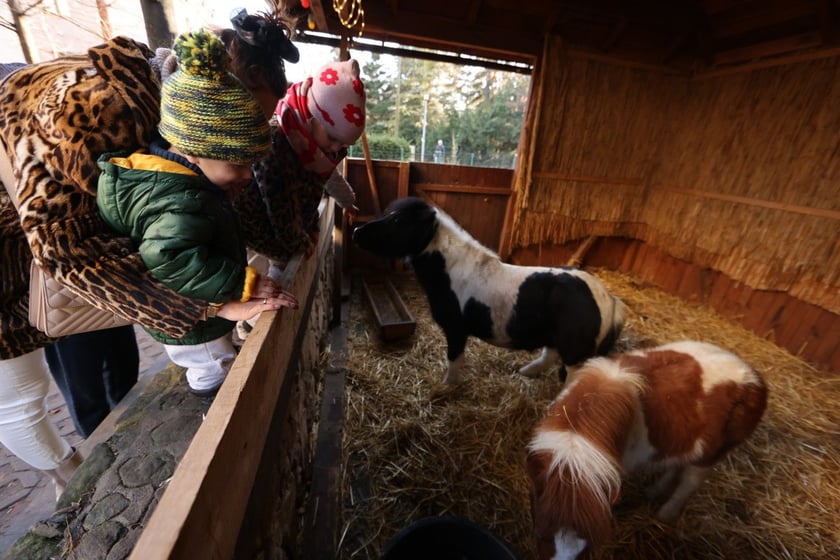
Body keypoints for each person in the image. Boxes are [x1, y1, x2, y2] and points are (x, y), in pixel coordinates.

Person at [0, 9, 298, 497]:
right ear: (211, 101)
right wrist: (213, 300)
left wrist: (273, 259)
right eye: (240, 145)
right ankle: (73, 482)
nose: (248, 160)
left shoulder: (175, 126)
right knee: (25, 392)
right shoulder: (89, 111)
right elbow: (70, 255)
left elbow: (217, 201)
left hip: (91, 249)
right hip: (18, 248)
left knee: (117, 361)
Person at [96, 29, 298, 396]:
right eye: (238, 164)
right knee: (214, 370)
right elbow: (170, 258)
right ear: (195, 151)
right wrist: (243, 283)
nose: (245, 176)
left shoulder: (192, 182)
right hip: (187, 317)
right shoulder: (176, 199)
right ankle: (212, 414)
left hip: (203, 303)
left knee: (222, 356)